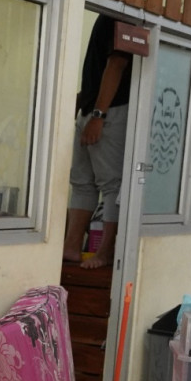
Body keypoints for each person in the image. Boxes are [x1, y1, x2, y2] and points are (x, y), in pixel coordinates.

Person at [63, 13, 133, 269]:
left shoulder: (123, 13)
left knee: (112, 185)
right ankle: (71, 246)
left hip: (109, 112)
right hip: (92, 110)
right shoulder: (106, 13)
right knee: (81, 181)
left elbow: (117, 64)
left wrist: (99, 115)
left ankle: (105, 252)